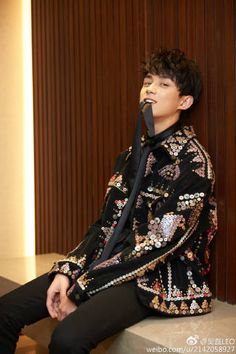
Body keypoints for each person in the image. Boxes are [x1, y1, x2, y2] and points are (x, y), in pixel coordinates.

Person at [0, 48, 217, 354]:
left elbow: (160, 243)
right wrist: (67, 270)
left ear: (184, 101)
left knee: (67, 338)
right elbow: (105, 225)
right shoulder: (130, 156)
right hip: (105, 263)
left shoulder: (194, 163)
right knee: (4, 312)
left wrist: (85, 285)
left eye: (164, 84)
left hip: (155, 277)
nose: (150, 89)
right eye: (148, 81)